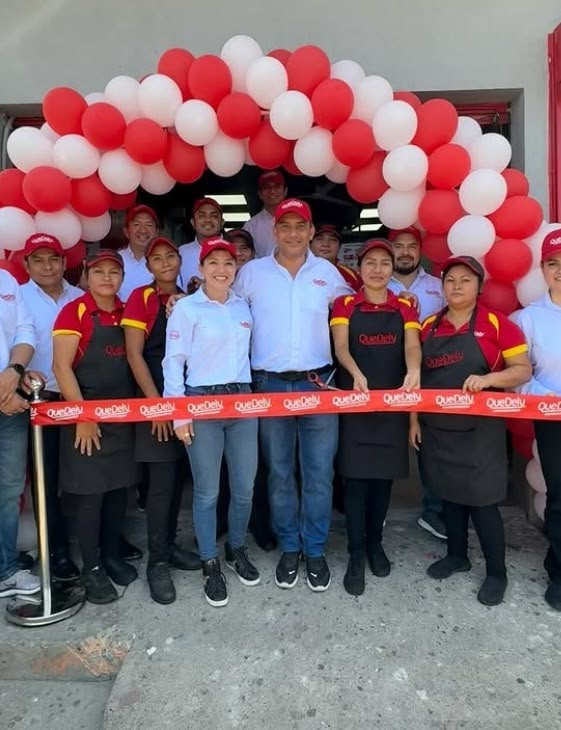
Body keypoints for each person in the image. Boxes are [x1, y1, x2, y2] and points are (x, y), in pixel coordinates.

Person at [235, 198, 353, 592]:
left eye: (300, 226)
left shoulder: (329, 274)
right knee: (280, 472)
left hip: (319, 385)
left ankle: (314, 550)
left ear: (311, 231)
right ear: (274, 231)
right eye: (284, 226)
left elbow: (358, 308)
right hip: (269, 385)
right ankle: (290, 546)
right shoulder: (251, 274)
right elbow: (224, 308)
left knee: (319, 473)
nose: (292, 234)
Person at [409, 255, 531, 606]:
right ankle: (457, 556)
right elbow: (419, 379)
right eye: (450, 280)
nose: (457, 286)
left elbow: (522, 369)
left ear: (479, 286)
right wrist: (414, 419)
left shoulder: (497, 324)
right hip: (438, 428)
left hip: (481, 431)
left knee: (483, 502)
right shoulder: (428, 326)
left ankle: (497, 573)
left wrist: (490, 379)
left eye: (465, 280)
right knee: (449, 495)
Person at [163, 236, 259, 608]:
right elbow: (173, 362)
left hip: (242, 400)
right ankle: (209, 560)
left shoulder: (243, 306)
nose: (222, 269)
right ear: (201, 268)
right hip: (201, 401)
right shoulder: (186, 309)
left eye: (228, 263)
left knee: (245, 486)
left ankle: (236, 548)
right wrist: (179, 412)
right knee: (207, 491)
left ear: (236, 269)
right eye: (213, 263)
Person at [330, 239, 421, 596]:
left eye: (385, 262)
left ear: (391, 269)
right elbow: (341, 347)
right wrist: (354, 372)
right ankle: (355, 553)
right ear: (360, 268)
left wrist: (413, 370)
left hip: (391, 406)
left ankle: (375, 544)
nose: (378, 269)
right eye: (371, 262)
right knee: (355, 482)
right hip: (355, 403)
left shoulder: (405, 306)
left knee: (383, 482)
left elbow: (411, 345)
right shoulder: (345, 304)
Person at [52, 250, 139, 604]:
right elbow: (61, 367)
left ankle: (111, 555)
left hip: (122, 418)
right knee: (91, 496)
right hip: (86, 419)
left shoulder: (127, 312)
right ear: (87, 276)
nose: (106, 277)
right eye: (99, 271)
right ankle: (91, 567)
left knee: (118, 490)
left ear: (122, 278)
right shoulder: (74, 312)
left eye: (114, 272)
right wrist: (83, 417)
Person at [123, 237, 201, 604]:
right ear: (149, 265)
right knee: (160, 485)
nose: (166, 262)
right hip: (154, 397)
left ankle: (169, 546)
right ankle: (156, 563)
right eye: (157, 258)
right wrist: (157, 405)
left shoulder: (190, 297)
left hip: (186, 397)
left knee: (176, 478)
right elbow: (134, 354)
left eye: (171, 256)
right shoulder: (140, 298)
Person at [20, 233, 82, 582]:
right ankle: (57, 552)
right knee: (46, 480)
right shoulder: (17, 298)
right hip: (39, 401)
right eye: (38, 260)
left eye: (53, 259)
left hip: (78, 398)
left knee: (87, 473)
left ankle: (99, 541)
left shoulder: (80, 296)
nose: (47, 266)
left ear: (64, 262)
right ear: (26, 264)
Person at [387, 227, 447, 541]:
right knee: (382, 438)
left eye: (412, 246)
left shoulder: (439, 286)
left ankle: (434, 511)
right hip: (384, 369)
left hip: (431, 371)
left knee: (430, 442)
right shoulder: (376, 282)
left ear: (421, 250)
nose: (406, 252)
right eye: (399, 246)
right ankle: (378, 511)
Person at [512, 228, 561, 611]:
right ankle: (558, 574)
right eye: (552, 263)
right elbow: (519, 376)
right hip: (552, 421)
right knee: (559, 498)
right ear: (542, 269)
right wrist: (550, 400)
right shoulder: (527, 319)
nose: (559, 270)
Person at [0, 268, 41, 599]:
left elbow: (24, 331)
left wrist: (15, 371)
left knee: (9, 489)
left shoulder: (6, 280)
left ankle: (7, 570)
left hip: (10, 402)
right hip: (6, 398)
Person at [178, 198, 223, 291]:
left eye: (214, 216)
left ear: (222, 222)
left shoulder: (234, 251)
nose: (208, 220)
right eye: (202, 216)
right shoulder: (181, 252)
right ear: (193, 222)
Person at [118, 205, 160, 301]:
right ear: (126, 231)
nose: (143, 230)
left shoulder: (165, 262)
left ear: (157, 232)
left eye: (149, 225)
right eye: (136, 224)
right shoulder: (116, 259)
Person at [243, 170, 287, 258]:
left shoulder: (297, 220)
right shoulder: (251, 226)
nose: (272, 191)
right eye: (267, 187)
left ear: (285, 191)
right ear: (259, 194)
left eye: (277, 186)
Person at [310, 223, 362, 292]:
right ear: (310, 244)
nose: (326, 244)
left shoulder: (351, 275)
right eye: (320, 239)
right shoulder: (300, 271)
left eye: (332, 240)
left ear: (339, 246)